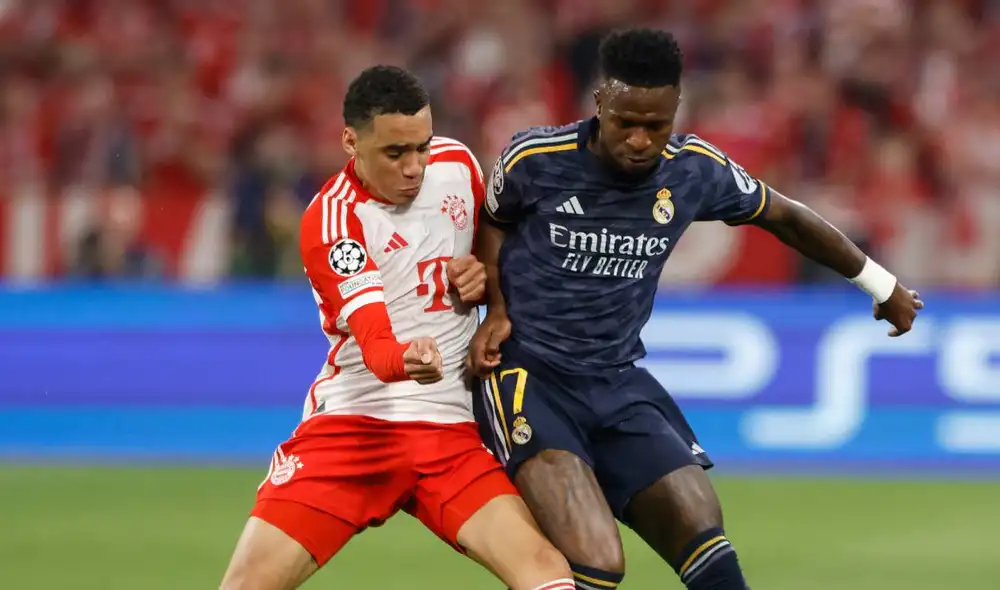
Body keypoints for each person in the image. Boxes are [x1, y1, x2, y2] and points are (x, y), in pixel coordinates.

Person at [468, 28, 924, 590]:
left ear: (675, 111)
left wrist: (881, 284)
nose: (639, 140)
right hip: (529, 375)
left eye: (655, 126)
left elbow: (788, 217)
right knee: (598, 560)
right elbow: (493, 219)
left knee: (700, 522)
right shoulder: (534, 159)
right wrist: (494, 305)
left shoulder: (694, 170)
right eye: (625, 123)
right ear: (599, 104)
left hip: (616, 381)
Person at [220, 65, 574, 590]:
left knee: (546, 573)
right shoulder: (333, 222)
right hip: (352, 425)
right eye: (395, 153)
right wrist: (410, 359)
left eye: (421, 147)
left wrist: (483, 281)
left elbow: (494, 257)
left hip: (447, 432)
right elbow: (378, 346)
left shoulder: (456, 164)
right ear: (350, 143)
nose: (415, 167)